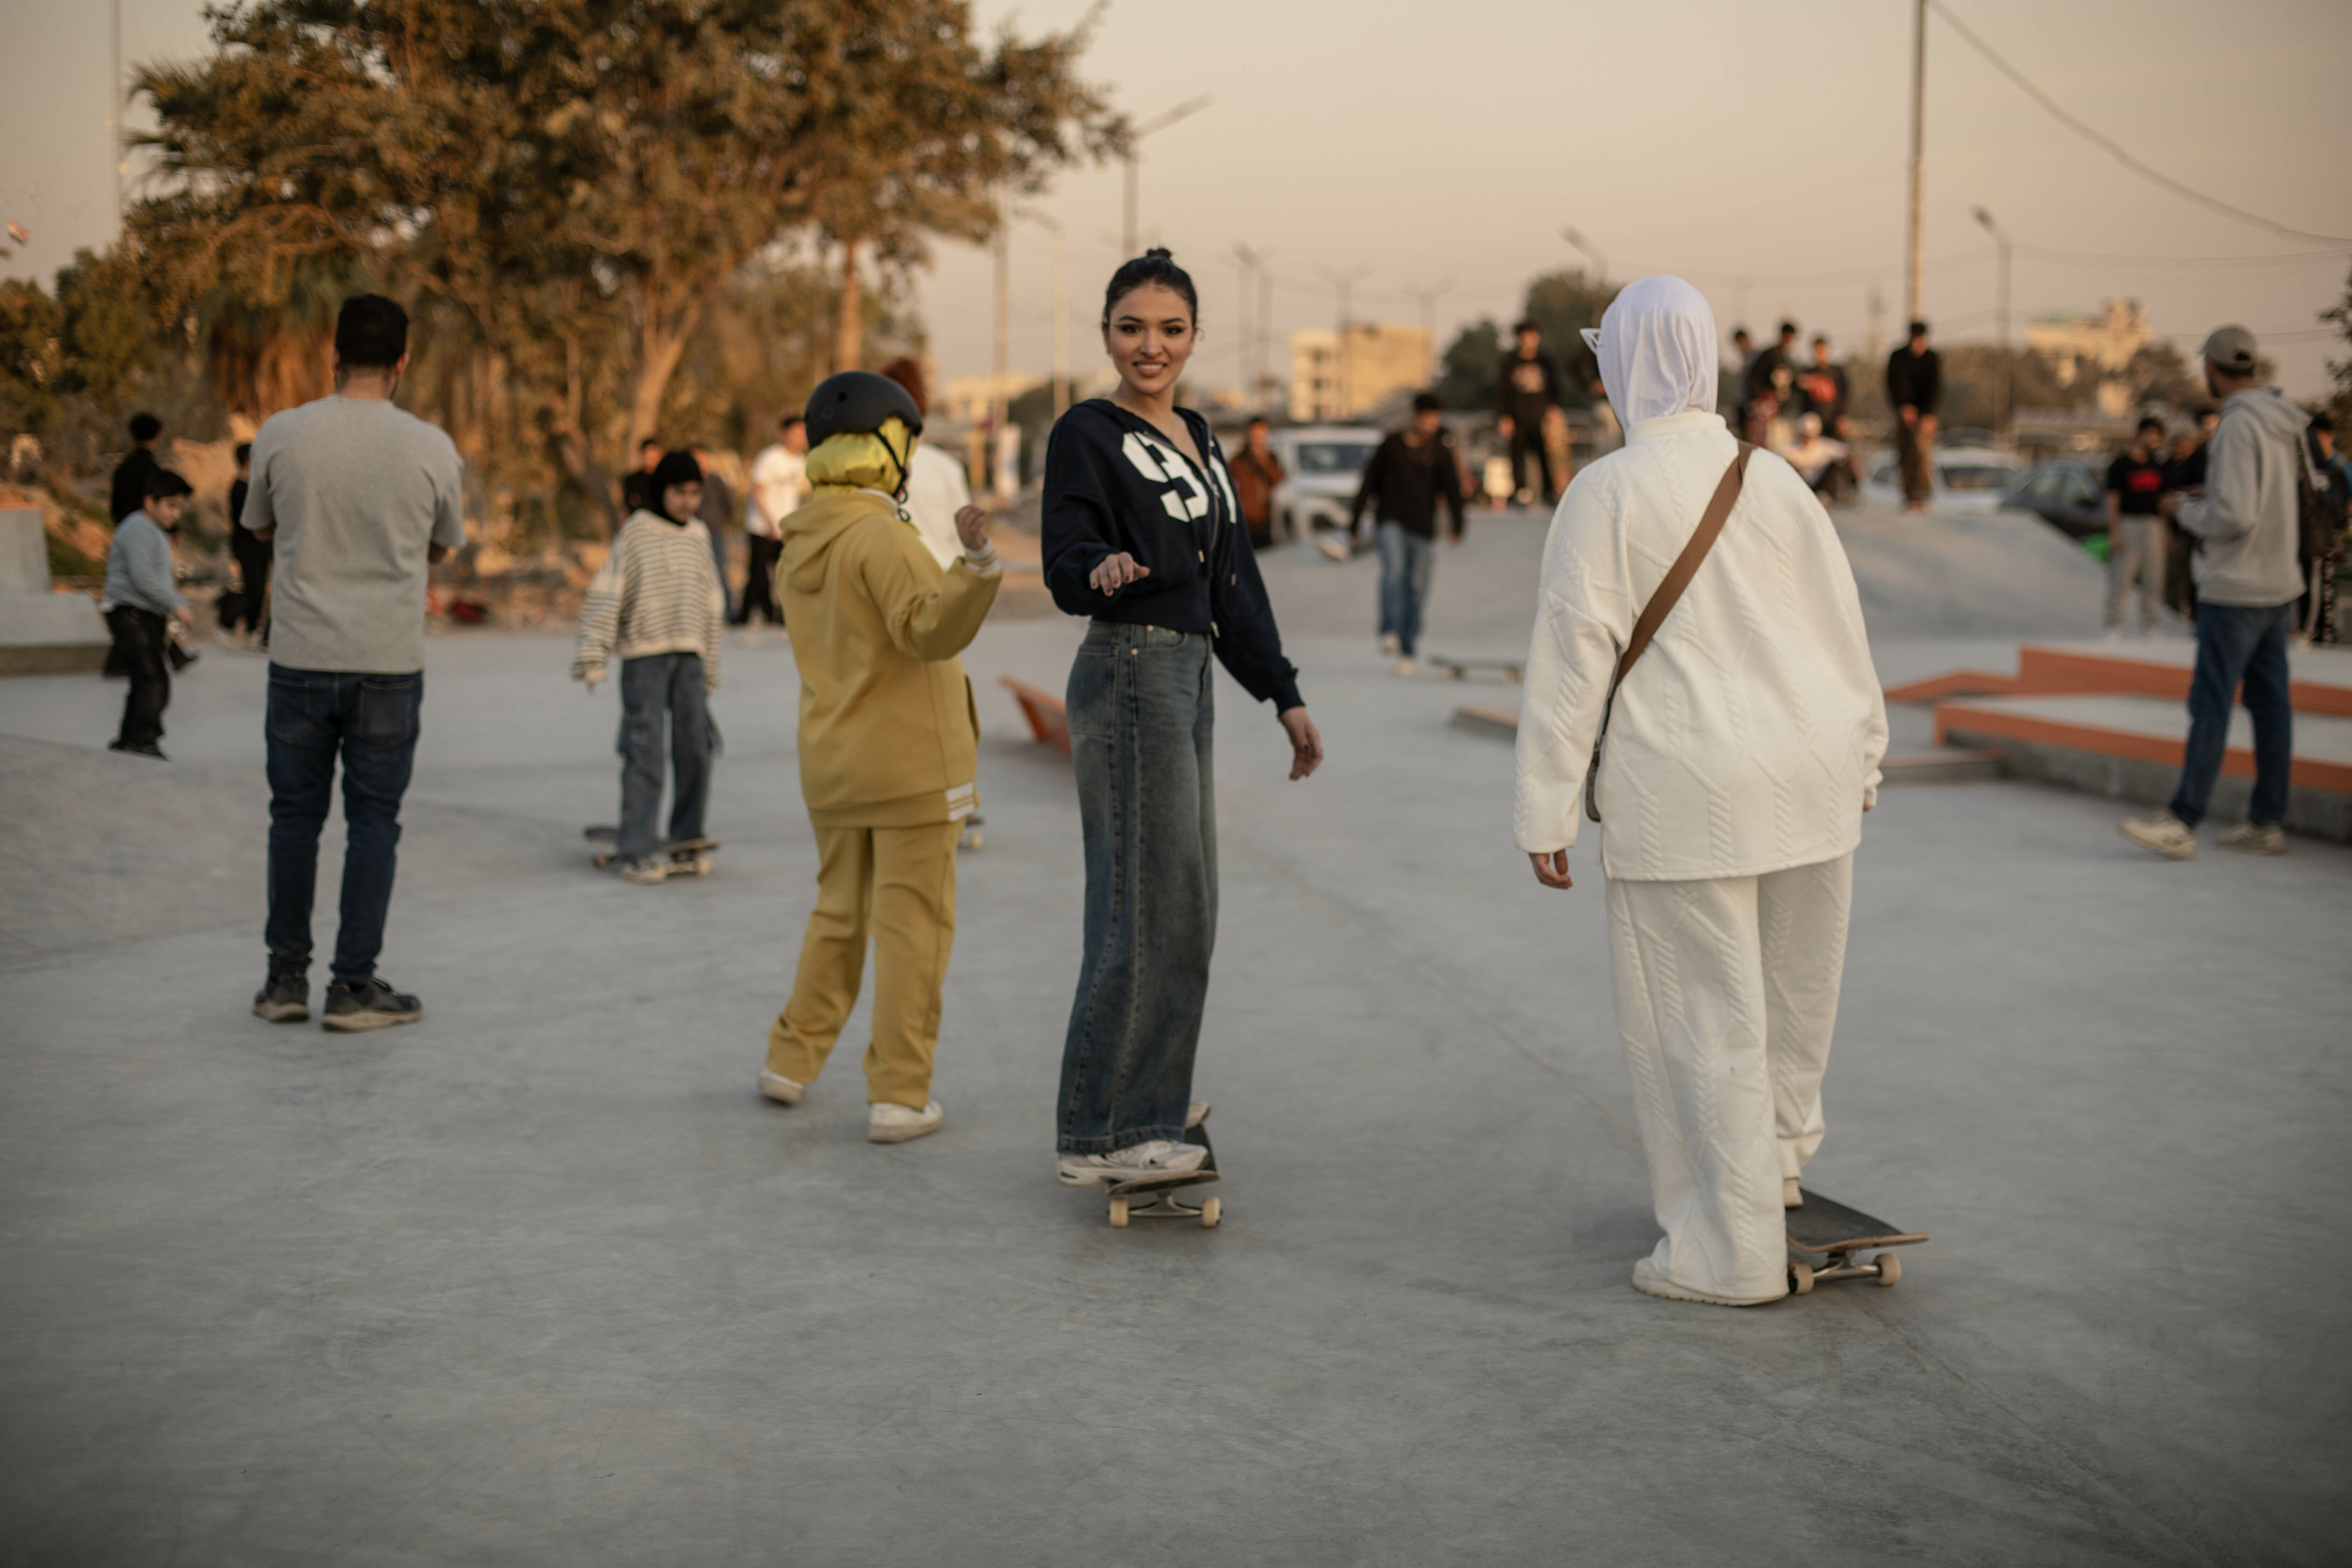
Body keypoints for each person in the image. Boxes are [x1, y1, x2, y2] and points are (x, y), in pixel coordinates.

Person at [1513, 275, 1887, 1307]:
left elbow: (1569, 658)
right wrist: (1862, 756)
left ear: (1624, 364)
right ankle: (1773, 1173)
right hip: (1806, 776)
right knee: (1791, 997)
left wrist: (1546, 805)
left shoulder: (1606, 491)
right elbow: (1838, 626)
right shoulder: (1774, 482)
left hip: (1683, 789)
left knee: (1702, 1016)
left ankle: (1727, 1255)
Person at [1040, 249, 1324, 1186]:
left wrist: (1282, 692)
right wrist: (1098, 570)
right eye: (1131, 328)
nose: (1150, 346)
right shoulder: (1087, 430)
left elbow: (1231, 580)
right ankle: (1120, 1133)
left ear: (1195, 336)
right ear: (1107, 335)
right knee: (1145, 901)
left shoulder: (1202, 437)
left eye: (1170, 329)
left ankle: (1128, 1106)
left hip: (1187, 671)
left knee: (1184, 906)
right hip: (1128, 668)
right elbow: (1068, 547)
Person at [757, 372, 1001, 1144]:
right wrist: (977, 567)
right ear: (887, 445)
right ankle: (900, 1092)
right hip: (911, 768)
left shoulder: (803, 538)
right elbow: (928, 629)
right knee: (912, 926)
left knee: (839, 912)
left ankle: (790, 1060)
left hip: (834, 761)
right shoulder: (880, 534)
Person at [241, 294, 465, 1032]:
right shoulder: (433, 446)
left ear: (333, 355)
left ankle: (284, 981)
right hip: (388, 663)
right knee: (374, 821)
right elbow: (441, 546)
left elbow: (261, 526)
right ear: (403, 363)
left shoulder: (283, 433)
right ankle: (353, 986)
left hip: (300, 656)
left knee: (294, 819)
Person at [2121, 326, 2310, 860]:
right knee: (2273, 708)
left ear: (2214, 368)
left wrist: (2181, 509)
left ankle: (2183, 821)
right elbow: (2266, 499)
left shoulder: (2234, 426)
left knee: (2211, 704)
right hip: (2278, 584)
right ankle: (2266, 821)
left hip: (2235, 587)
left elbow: (2234, 514)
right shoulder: (2283, 420)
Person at [572, 449, 724, 884]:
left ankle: (686, 836)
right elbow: (608, 593)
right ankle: (636, 846)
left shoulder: (698, 536)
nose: (688, 502)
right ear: (663, 490)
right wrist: (593, 656)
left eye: (696, 493)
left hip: (690, 657)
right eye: (680, 492)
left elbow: (711, 604)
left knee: (696, 748)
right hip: (645, 658)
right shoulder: (637, 532)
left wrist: (711, 666)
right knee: (646, 751)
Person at [1350, 391, 1466, 676]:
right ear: (1415, 417)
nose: (1431, 425)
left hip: (1424, 526)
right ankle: (1389, 630)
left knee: (1417, 588)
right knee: (1394, 570)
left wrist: (1458, 524)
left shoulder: (1440, 449)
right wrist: (1354, 524)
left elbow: (1452, 487)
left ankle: (1408, 647)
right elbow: (1368, 482)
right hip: (1391, 520)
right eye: (1426, 418)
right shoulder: (1391, 445)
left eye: (1435, 420)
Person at [101, 468, 195, 758]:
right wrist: (176, 603)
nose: (175, 514)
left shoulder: (152, 531)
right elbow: (143, 578)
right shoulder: (138, 528)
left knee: (145, 678)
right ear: (150, 502)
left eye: (179, 507)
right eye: (170, 506)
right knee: (153, 679)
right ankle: (143, 741)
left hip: (142, 613)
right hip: (130, 613)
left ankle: (129, 738)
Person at [878, 357, 975, 570]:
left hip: (889, 582)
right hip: (944, 580)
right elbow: (965, 537)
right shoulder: (947, 468)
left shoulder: (866, 467)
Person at [2103, 417, 2170, 639]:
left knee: (2154, 578)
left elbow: (2163, 501)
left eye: (2158, 436)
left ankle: (2151, 625)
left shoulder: (2158, 465)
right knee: (2122, 577)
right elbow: (2113, 499)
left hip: (2154, 525)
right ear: (2140, 434)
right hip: (2128, 523)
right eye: (2151, 434)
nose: (2154, 440)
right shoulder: (2122, 465)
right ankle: (2114, 625)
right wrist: (2115, 531)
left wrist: (2167, 530)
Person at [741, 414, 807, 627]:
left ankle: (777, 615)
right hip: (762, 527)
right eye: (795, 434)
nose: (799, 439)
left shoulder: (802, 462)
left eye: (802, 434)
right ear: (783, 434)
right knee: (759, 575)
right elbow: (757, 492)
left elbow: (804, 492)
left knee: (786, 574)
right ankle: (758, 616)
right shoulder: (769, 458)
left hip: (787, 529)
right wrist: (770, 523)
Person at [1494, 320, 1564, 506]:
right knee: (1517, 455)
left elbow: (1555, 388)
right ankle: (1520, 491)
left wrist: (1555, 407)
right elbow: (1502, 391)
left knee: (1546, 454)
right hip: (1518, 416)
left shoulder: (1545, 361)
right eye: (1525, 337)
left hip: (1541, 417)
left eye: (1532, 336)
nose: (1529, 341)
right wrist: (1504, 417)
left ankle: (1550, 492)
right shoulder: (1510, 363)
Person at [1886, 320, 1941, 512]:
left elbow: (1935, 388)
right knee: (1906, 451)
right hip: (1905, 412)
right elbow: (1893, 385)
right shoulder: (1898, 358)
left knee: (1923, 451)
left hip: (1926, 413)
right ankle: (1909, 493)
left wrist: (1928, 414)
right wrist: (1903, 407)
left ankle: (1922, 493)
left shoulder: (1932, 359)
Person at [221, 442, 271, 648]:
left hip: (262, 546)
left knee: (259, 590)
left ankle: (253, 633)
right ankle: (226, 620)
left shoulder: (255, 485)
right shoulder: (239, 487)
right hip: (246, 546)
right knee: (255, 589)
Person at [2301, 413, 2345, 645]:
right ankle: (2309, 631)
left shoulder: (2338, 469)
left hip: (2324, 538)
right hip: (2308, 537)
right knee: (2307, 587)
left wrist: (2336, 529)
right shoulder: (2305, 467)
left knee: (2321, 588)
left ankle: (2323, 633)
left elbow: (2344, 503)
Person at [691, 448, 739, 623]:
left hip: (715, 532)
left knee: (719, 570)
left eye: (703, 458)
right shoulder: (690, 482)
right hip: (692, 534)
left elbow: (728, 504)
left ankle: (728, 611)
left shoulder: (716, 481)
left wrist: (719, 521)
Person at [1228, 415, 1286, 548]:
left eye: (1261, 435)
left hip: (1266, 518)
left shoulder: (1271, 458)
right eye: (1255, 435)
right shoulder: (1239, 460)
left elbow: (1278, 479)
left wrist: (1263, 460)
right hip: (1245, 518)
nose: (1258, 439)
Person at [109, 412, 163, 524]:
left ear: (132, 436)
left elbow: (115, 511)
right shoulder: (156, 472)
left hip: (123, 532)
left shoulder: (122, 469)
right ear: (157, 437)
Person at [620, 438, 664, 516]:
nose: (651, 460)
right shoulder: (632, 481)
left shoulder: (665, 479)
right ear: (643, 455)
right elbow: (632, 504)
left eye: (654, 457)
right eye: (649, 456)